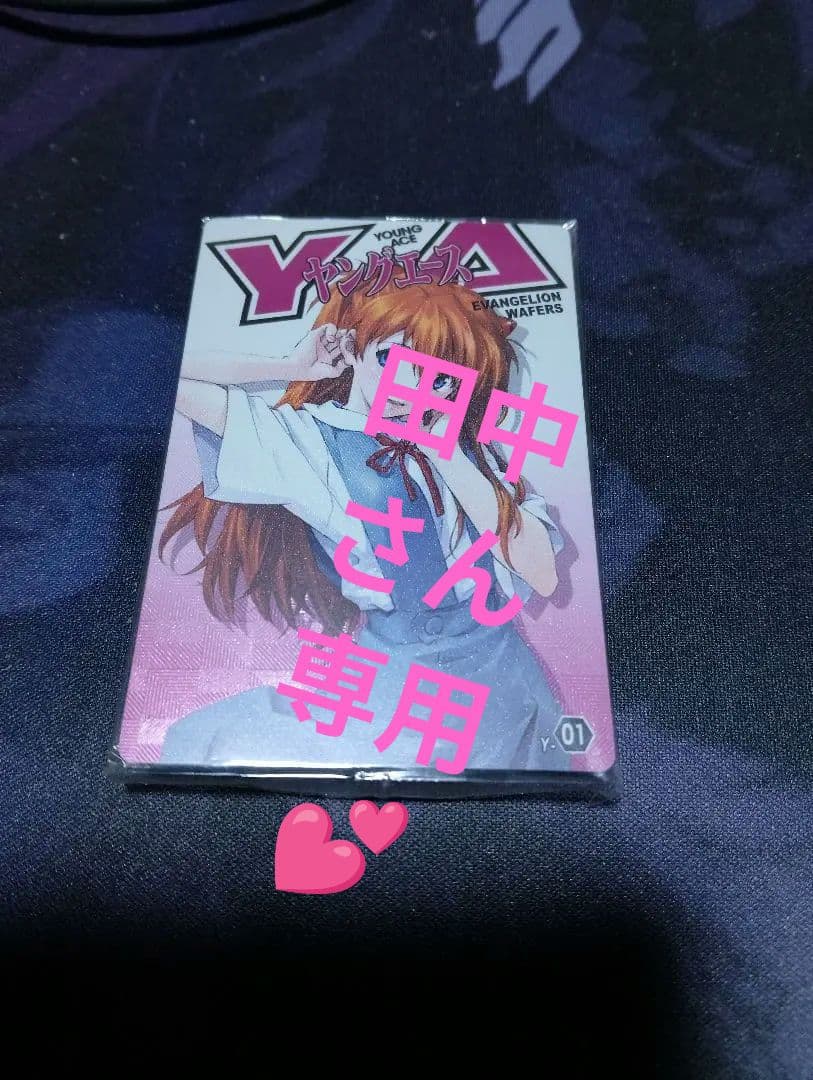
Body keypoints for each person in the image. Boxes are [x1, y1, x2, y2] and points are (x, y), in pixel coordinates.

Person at [159, 276, 569, 772]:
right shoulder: (307, 440)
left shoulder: (469, 450)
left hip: (504, 680)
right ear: (354, 349)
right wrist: (289, 366)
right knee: (209, 741)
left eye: (438, 379)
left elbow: (542, 574)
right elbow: (173, 374)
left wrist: (449, 455)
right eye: (391, 360)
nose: (409, 390)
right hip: (397, 678)